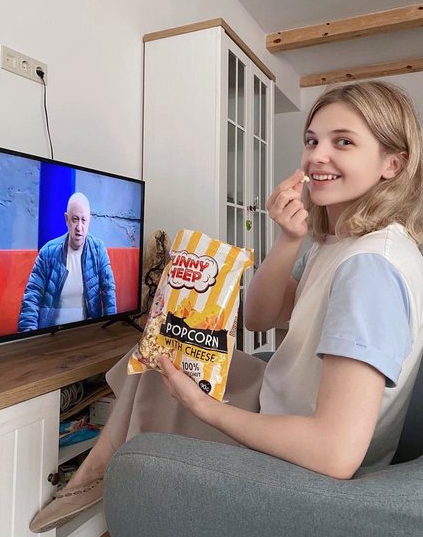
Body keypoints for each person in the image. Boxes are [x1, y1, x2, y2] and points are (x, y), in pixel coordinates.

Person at [29, 81, 423, 533]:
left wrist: (203, 407)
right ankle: (99, 472)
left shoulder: (370, 269)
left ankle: (103, 478)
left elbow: (334, 452)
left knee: (165, 382)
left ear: (392, 164)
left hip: (303, 460)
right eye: (312, 140)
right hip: (280, 400)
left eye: (344, 142)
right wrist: (288, 239)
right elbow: (260, 316)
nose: (318, 156)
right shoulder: (342, 240)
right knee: (158, 354)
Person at [18, 192, 116, 331]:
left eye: (83, 220)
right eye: (75, 219)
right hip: (51, 334)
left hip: (87, 332)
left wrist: (110, 330)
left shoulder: (98, 249)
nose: (79, 227)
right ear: (66, 219)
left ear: (89, 220)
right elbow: (32, 297)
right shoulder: (48, 252)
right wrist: (30, 336)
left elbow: (109, 291)